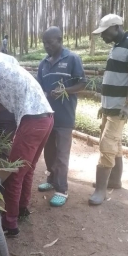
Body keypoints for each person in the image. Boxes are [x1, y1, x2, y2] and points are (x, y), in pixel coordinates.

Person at [0, 54, 54, 237]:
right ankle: (22, 208)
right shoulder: (5, 66)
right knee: (27, 169)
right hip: (46, 118)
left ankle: (9, 224)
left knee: (13, 173)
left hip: (32, 121)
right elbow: (0, 106)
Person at [89, 14, 128, 205]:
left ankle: (100, 191)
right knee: (115, 143)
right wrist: (103, 106)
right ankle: (114, 180)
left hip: (120, 107)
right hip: (109, 106)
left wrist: (127, 106)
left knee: (107, 145)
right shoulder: (117, 46)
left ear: (115, 28)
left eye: (105, 32)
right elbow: (114, 78)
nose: (103, 36)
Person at [37, 27, 86, 207]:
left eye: (49, 42)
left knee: (62, 153)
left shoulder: (72, 59)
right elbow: (39, 88)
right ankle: (51, 177)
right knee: (48, 150)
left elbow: (82, 83)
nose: (46, 46)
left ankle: (62, 189)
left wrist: (65, 90)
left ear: (60, 40)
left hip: (65, 116)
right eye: (44, 43)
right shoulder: (43, 64)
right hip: (47, 115)